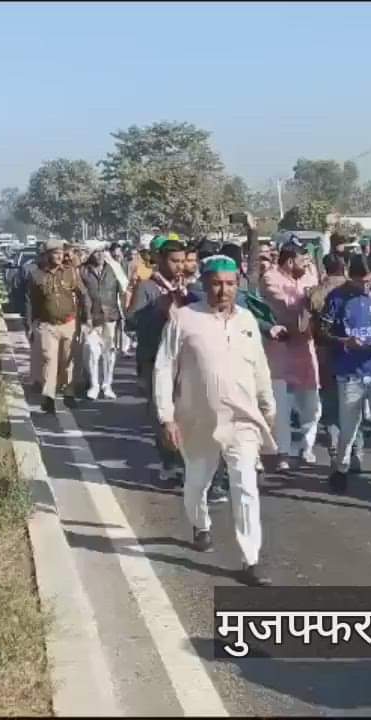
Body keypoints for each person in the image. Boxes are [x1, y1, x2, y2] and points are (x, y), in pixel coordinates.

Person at [155, 254, 276, 587]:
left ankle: (250, 558)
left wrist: (268, 406)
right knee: (197, 483)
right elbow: (164, 368)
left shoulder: (248, 320)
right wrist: (167, 417)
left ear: (238, 285)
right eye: (216, 284)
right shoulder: (183, 319)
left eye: (230, 284)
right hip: (198, 419)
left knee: (245, 486)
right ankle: (200, 523)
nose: (223, 290)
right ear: (204, 284)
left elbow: (259, 367)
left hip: (242, 420)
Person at [321, 255, 371, 513]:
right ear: (350, 276)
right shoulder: (336, 298)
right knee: (349, 429)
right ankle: (341, 468)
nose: (367, 285)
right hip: (350, 374)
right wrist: (345, 342)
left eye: (370, 280)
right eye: (362, 281)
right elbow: (321, 332)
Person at [128, 239, 194, 485]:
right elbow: (132, 321)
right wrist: (157, 309)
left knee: (186, 410)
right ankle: (169, 462)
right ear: (161, 260)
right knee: (162, 413)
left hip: (186, 359)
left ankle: (186, 459)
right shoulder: (149, 287)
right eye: (174, 261)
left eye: (182, 261)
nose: (179, 266)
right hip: (155, 358)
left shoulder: (189, 286)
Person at [261, 241, 322, 470]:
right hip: (280, 350)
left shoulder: (309, 276)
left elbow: (316, 303)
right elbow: (291, 305)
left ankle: (307, 447)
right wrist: (312, 297)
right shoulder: (271, 279)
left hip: (306, 348)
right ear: (289, 261)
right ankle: (283, 453)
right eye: (302, 260)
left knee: (311, 404)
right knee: (281, 407)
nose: (306, 264)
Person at [310, 253, 363, 472]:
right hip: (352, 354)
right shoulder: (356, 290)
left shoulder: (315, 293)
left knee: (331, 408)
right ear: (346, 267)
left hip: (325, 354)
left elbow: (309, 323)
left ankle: (335, 453)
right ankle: (356, 453)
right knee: (354, 407)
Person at [26, 239, 91, 415]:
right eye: (55, 253)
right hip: (47, 325)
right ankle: (48, 397)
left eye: (61, 253)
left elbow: (83, 295)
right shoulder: (36, 275)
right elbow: (31, 302)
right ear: (46, 255)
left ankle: (69, 393)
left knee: (68, 360)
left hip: (69, 323)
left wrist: (87, 318)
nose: (59, 256)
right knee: (49, 360)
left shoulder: (71, 273)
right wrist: (30, 324)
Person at [80, 245, 123, 400]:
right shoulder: (83, 271)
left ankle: (107, 385)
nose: (99, 255)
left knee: (109, 352)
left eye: (102, 252)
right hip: (91, 318)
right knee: (92, 351)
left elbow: (124, 289)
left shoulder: (114, 268)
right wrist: (87, 317)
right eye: (96, 252)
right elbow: (81, 295)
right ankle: (94, 385)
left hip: (110, 316)